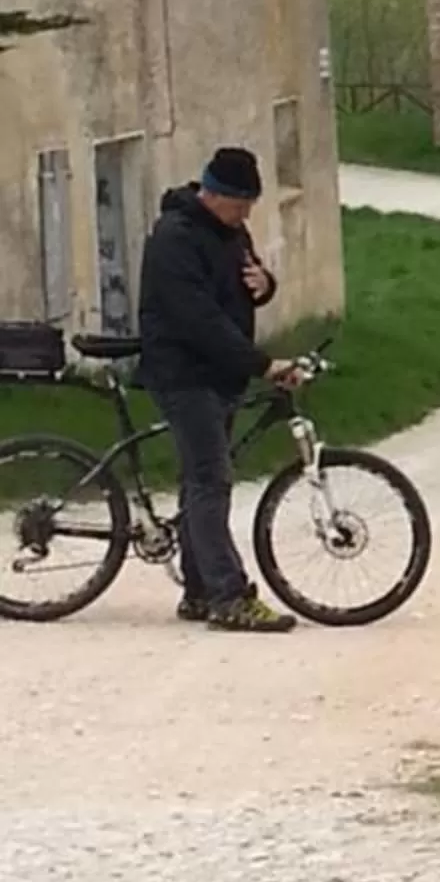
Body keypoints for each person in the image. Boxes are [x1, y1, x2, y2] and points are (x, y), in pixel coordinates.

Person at [136, 147, 303, 635]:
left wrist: (264, 284)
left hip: (218, 373)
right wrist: (264, 364)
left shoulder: (230, 231)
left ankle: (199, 590)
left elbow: (242, 285)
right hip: (184, 373)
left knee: (198, 481)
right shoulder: (174, 238)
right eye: (241, 204)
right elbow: (199, 321)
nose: (247, 214)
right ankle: (230, 596)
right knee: (212, 480)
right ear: (214, 194)